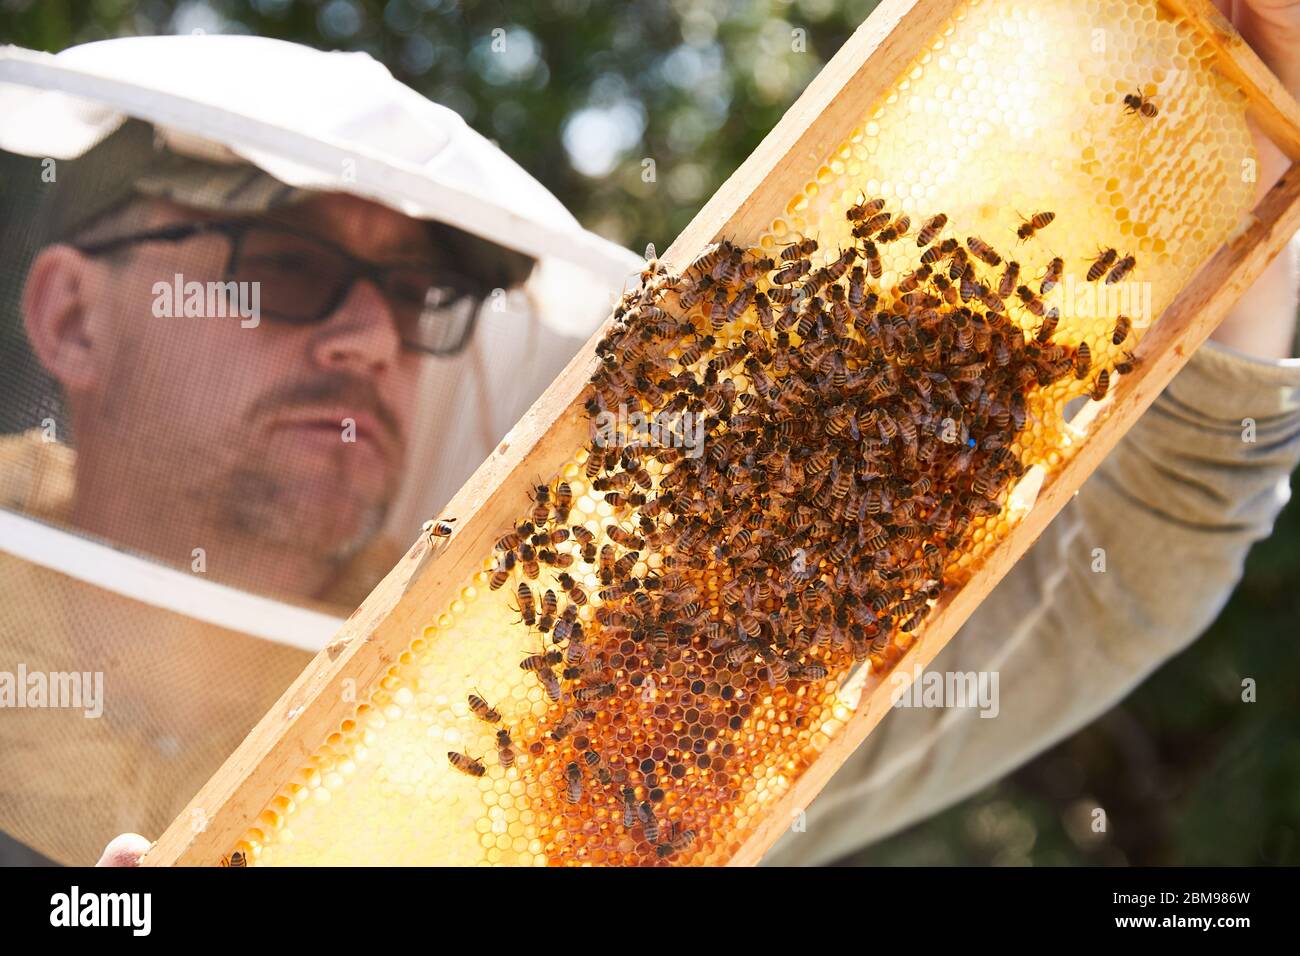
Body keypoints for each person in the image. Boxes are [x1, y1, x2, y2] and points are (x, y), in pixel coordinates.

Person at [0, 36, 636, 865]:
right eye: (285, 267)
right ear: (76, 320)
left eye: (414, 295)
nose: (374, 340)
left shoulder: (488, 708)